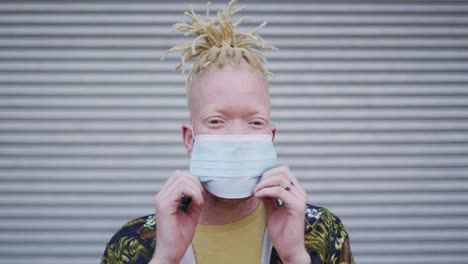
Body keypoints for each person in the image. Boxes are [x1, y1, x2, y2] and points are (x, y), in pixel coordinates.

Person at [101, 1, 355, 263]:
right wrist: (164, 258)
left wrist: (294, 256)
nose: (237, 137)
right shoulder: (132, 244)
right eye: (216, 121)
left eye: (255, 123)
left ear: (271, 137)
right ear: (190, 139)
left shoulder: (323, 233)